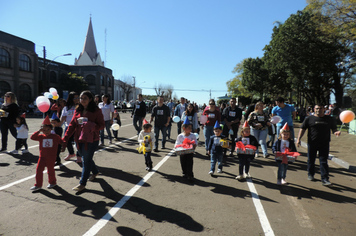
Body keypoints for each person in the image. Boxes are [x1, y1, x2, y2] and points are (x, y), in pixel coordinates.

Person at [62, 90, 105, 192]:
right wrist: (65, 138)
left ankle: (82, 184)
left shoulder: (96, 111)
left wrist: (92, 126)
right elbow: (72, 125)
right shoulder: (77, 110)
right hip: (79, 139)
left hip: (91, 140)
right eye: (81, 98)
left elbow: (102, 125)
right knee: (86, 157)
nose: (82, 100)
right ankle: (95, 172)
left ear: (90, 99)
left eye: (85, 98)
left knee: (86, 161)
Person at [297, 104, 340, 186]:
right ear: (314, 109)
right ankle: (310, 174)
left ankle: (325, 179)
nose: (318, 110)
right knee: (311, 160)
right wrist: (299, 138)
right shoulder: (309, 118)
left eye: (320, 108)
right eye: (317, 108)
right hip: (312, 143)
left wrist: (336, 132)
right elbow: (302, 128)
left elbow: (334, 128)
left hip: (324, 143)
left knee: (323, 161)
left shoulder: (329, 119)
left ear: (324, 109)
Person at [30, 116, 63, 192]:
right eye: (44, 130)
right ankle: (38, 185)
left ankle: (52, 182)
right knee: (38, 170)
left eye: (48, 129)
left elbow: (62, 142)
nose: (46, 131)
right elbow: (32, 137)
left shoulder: (55, 136)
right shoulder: (41, 136)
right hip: (42, 156)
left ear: (51, 129)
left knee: (50, 170)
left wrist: (63, 147)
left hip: (51, 157)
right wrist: (38, 131)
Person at [175, 117, 197, 182]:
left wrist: (194, 146)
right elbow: (177, 143)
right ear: (184, 128)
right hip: (182, 151)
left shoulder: (192, 135)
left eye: (191, 128)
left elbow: (195, 142)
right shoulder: (180, 136)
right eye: (189, 128)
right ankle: (184, 172)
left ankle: (190, 174)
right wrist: (177, 147)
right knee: (183, 162)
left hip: (190, 152)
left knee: (189, 163)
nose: (190, 129)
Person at [61, 92, 81, 162]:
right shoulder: (66, 107)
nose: (77, 99)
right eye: (75, 98)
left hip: (78, 127)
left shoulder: (80, 106)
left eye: (77, 98)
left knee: (78, 142)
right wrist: (59, 124)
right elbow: (63, 116)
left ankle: (79, 156)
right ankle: (71, 153)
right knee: (67, 141)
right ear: (71, 99)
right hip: (68, 126)